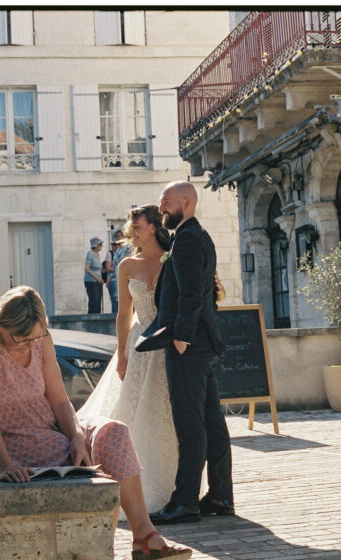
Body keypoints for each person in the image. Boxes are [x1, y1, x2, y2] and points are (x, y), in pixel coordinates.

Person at [0, 286, 191, 560]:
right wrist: (3, 465)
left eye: (35, 337)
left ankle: (144, 536)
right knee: (94, 475)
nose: (30, 344)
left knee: (113, 433)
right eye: (20, 339)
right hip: (1, 436)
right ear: (3, 325)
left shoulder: (42, 341)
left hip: (46, 424)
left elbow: (58, 400)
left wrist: (77, 438)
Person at [78, 205, 216, 516]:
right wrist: (123, 354)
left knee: (170, 417)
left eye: (136, 226)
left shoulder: (174, 255)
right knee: (134, 416)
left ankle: (177, 488)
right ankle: (136, 490)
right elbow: (123, 314)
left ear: (153, 227)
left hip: (171, 342)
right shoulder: (127, 265)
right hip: (141, 343)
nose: (131, 232)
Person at [136, 182, 234, 525]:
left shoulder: (189, 238)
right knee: (211, 422)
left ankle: (186, 501)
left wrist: (182, 337)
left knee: (190, 424)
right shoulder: (193, 235)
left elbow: (193, 293)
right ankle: (220, 495)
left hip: (190, 346)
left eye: (166, 203)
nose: (161, 209)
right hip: (204, 343)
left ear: (186, 203)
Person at [84, 237, 105, 314]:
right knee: (94, 301)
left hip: (98, 281)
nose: (101, 246)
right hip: (91, 281)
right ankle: (91, 319)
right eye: (100, 244)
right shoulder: (90, 253)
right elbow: (87, 268)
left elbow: (98, 269)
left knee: (98, 301)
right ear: (95, 245)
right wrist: (97, 278)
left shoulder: (98, 255)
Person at [105, 238, 124, 314]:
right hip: (113, 280)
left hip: (121, 279)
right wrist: (117, 268)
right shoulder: (110, 254)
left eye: (117, 244)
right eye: (113, 245)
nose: (115, 246)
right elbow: (108, 268)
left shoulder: (122, 252)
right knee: (115, 301)